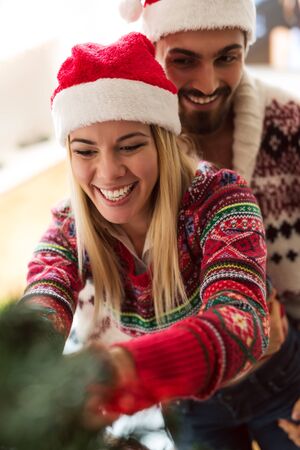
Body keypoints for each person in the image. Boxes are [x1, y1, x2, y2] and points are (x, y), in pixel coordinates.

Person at [20, 31, 269, 449]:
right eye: (85, 151)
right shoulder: (70, 227)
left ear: (162, 143)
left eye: (130, 145)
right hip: (187, 405)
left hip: (272, 383)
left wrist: (122, 372)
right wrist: (23, 365)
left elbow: (241, 320)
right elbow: (43, 298)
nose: (109, 171)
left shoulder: (220, 199)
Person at [118, 0, 300, 448]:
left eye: (227, 57)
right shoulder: (123, 143)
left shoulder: (292, 125)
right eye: (183, 60)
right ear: (152, 50)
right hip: (187, 397)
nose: (207, 83)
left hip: (286, 371)